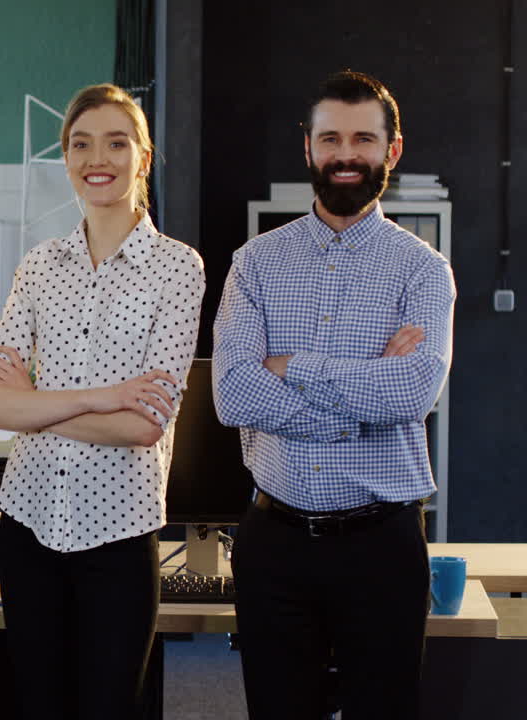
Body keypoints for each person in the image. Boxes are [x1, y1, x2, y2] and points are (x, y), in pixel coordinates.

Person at [212, 70, 455, 719]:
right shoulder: (255, 263)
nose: (347, 154)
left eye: (364, 139)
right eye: (331, 138)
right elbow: (234, 395)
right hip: (274, 542)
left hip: (383, 545)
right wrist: (361, 394)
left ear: (391, 151)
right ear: (309, 148)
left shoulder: (425, 272)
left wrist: (291, 366)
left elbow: (413, 391)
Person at [0, 83, 205, 719]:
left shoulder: (179, 268)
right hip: (28, 524)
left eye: (116, 142)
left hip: (120, 534)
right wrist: (99, 399)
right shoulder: (40, 265)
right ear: (66, 158)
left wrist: (36, 401)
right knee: (37, 706)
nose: (96, 157)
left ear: (143, 158)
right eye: (80, 143)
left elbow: (142, 425)